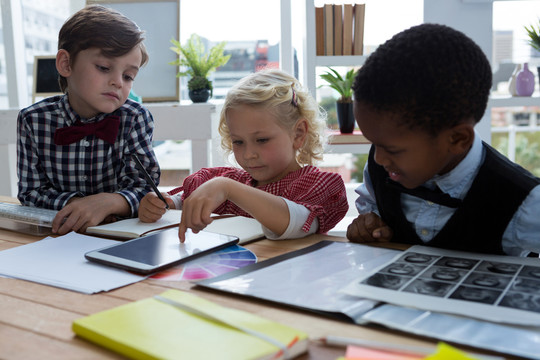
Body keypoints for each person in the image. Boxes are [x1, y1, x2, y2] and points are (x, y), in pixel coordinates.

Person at [346, 23, 540, 256]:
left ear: (457, 139)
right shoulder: (383, 167)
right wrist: (370, 225)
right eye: (373, 143)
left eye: (393, 150)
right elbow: (373, 208)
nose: (378, 158)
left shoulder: (524, 202)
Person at [139, 69, 348, 242]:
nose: (248, 154)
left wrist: (227, 188)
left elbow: (296, 224)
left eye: (262, 140)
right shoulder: (228, 182)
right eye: (238, 142)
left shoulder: (318, 185)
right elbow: (189, 201)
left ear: (298, 134)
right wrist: (164, 205)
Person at [17, 5, 160, 235]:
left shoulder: (135, 118)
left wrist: (109, 202)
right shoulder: (33, 120)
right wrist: (76, 205)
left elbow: (145, 187)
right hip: (57, 238)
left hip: (121, 238)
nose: (118, 82)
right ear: (66, 64)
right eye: (104, 67)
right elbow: (30, 192)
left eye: (128, 76)